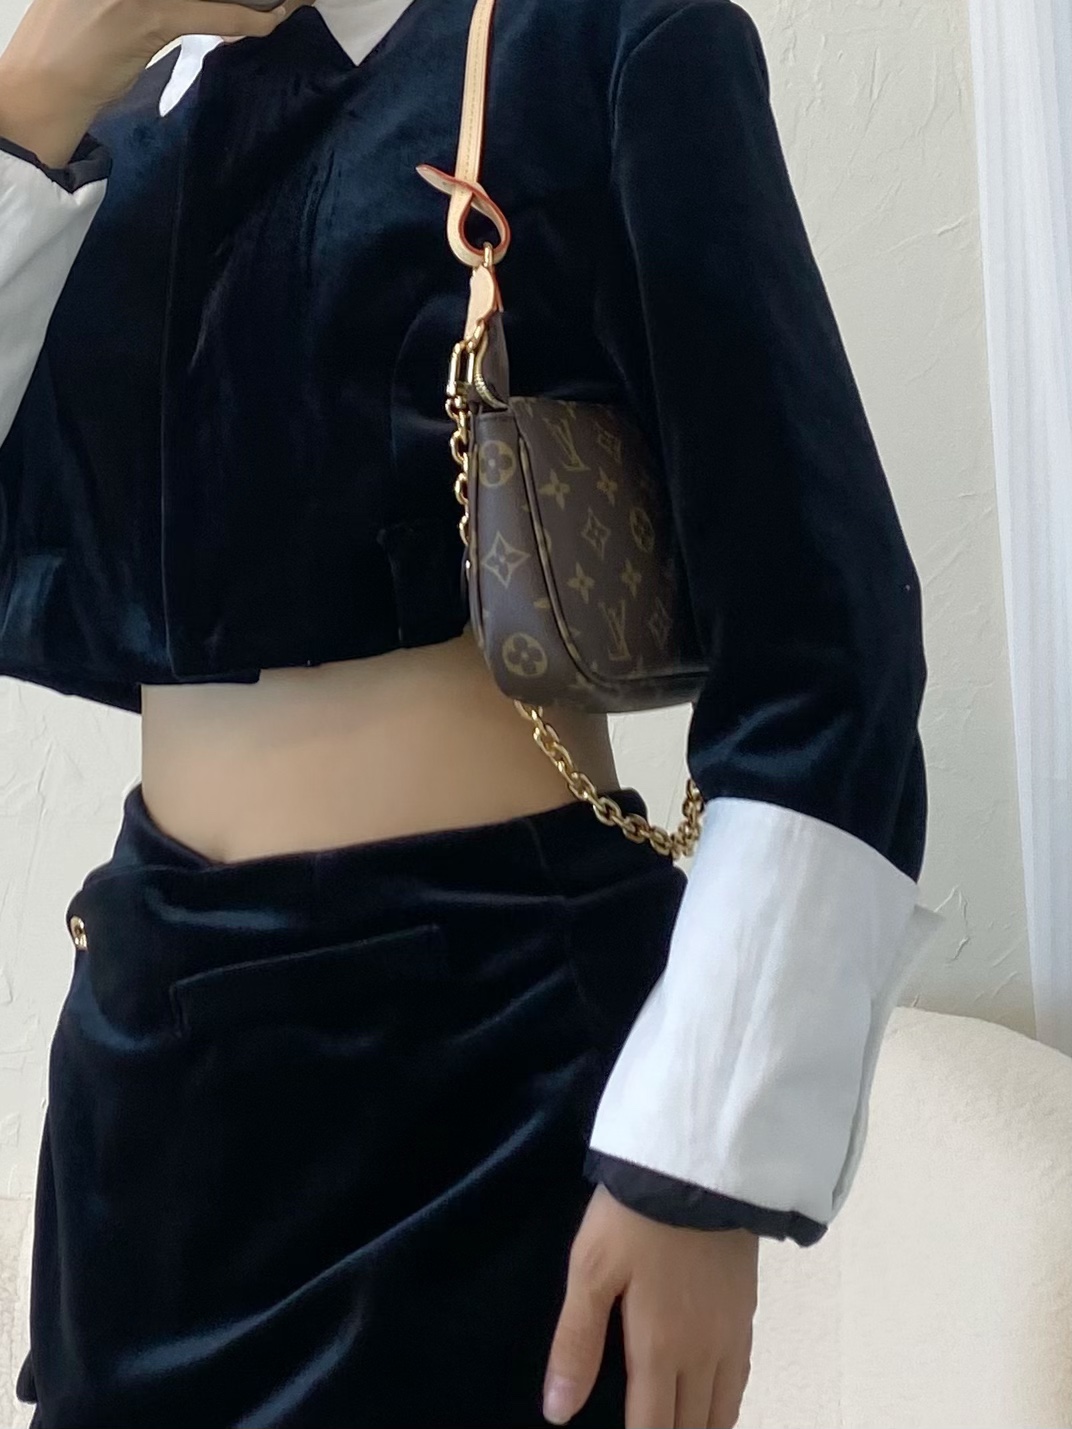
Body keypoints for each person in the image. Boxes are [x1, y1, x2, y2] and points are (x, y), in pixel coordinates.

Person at [0, 0, 934, 1422]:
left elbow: (825, 637)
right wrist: (35, 89)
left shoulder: (603, 42)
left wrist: (701, 1166)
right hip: (156, 1070)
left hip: (488, 1060)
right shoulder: (126, 105)